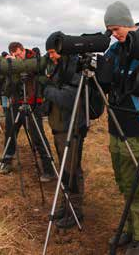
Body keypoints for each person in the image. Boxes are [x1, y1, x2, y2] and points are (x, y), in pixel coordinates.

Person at [103, 1, 139, 255]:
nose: (114, 34)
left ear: (128, 22)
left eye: (116, 28)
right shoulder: (115, 49)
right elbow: (105, 79)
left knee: (137, 184)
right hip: (116, 123)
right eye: (110, 31)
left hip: (137, 124)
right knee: (122, 181)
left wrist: (124, 78)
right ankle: (129, 228)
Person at [42, 47, 88, 229]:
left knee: (72, 170)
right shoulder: (59, 67)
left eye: (53, 52)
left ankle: (75, 211)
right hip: (59, 126)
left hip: (71, 127)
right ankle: (65, 204)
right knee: (64, 169)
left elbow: (68, 98)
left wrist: (47, 89)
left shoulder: (74, 68)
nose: (51, 56)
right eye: (49, 53)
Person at [0, 42, 56, 182]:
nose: (18, 57)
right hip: (16, 103)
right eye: (15, 56)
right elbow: (7, 89)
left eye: (19, 54)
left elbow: (47, 78)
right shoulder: (12, 64)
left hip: (34, 104)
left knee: (38, 136)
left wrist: (36, 78)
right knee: (10, 133)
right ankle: (7, 162)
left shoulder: (36, 59)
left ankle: (49, 169)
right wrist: (11, 70)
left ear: (23, 50)